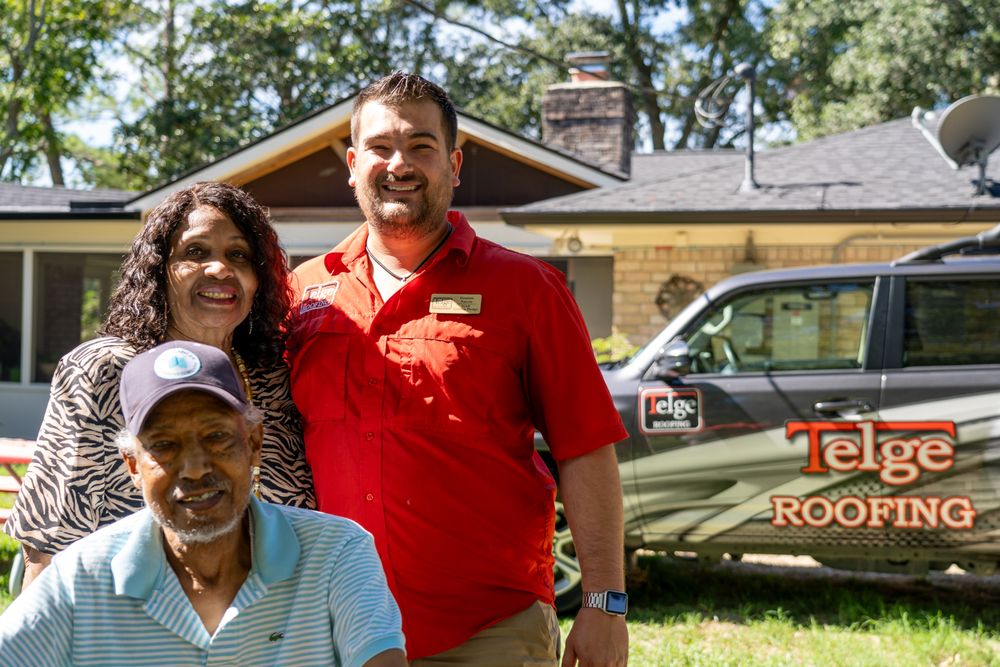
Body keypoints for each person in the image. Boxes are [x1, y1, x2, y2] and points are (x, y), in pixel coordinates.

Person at [288, 72, 630, 666]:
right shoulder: (302, 293)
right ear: (352, 163)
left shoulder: (527, 289)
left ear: (454, 163)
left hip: (487, 629)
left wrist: (604, 601)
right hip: (333, 624)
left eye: (421, 146)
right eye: (380, 146)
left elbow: (587, 449)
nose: (400, 163)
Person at [0, 341, 406, 667]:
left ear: (253, 444)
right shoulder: (82, 575)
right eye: (163, 445)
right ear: (132, 466)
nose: (194, 469)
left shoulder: (337, 552)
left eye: (215, 437)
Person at [5, 181, 315, 590]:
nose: (220, 269)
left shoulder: (272, 377)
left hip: (261, 631)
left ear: (258, 279)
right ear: (159, 270)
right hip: (125, 626)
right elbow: (48, 544)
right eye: (195, 252)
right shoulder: (105, 370)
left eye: (238, 255)